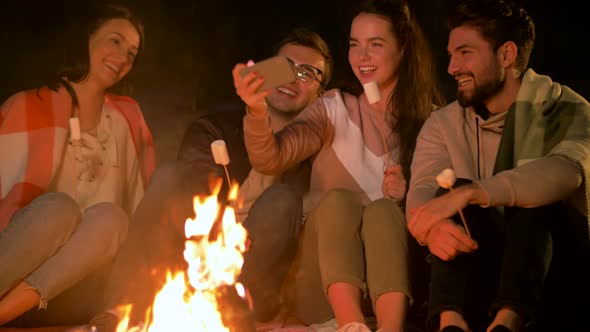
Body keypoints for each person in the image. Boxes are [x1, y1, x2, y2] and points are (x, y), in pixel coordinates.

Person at [89, 27, 333, 330]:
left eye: (307, 73)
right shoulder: (216, 126)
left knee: (282, 200)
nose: (292, 78)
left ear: (321, 94)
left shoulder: (323, 151)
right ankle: (118, 308)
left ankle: (234, 315)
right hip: (199, 248)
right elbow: (192, 194)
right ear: (263, 71)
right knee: (169, 176)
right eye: (285, 66)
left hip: (258, 273)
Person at [233, 0, 444, 331]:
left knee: (384, 211)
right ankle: (350, 324)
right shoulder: (333, 107)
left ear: (402, 50)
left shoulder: (432, 121)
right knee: (340, 199)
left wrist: (406, 196)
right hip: (321, 290)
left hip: (395, 285)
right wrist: (257, 111)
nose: (362, 57)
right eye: (354, 45)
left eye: (375, 45)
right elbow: (270, 157)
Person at [406, 1, 590, 331]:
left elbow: (567, 172)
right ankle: (452, 324)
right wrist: (433, 228)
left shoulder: (567, 108)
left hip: (554, 276)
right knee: (455, 190)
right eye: (451, 54)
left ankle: (508, 323)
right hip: (479, 271)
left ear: (506, 55)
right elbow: (421, 191)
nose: (451, 67)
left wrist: (474, 194)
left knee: (535, 193)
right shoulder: (442, 124)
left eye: (465, 53)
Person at [0, 3, 154, 327]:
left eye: (132, 53)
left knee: (113, 218)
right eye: (115, 41)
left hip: (69, 284)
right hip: (13, 261)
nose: (123, 57)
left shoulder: (128, 120)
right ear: (87, 35)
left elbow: (143, 210)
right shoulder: (27, 105)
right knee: (58, 208)